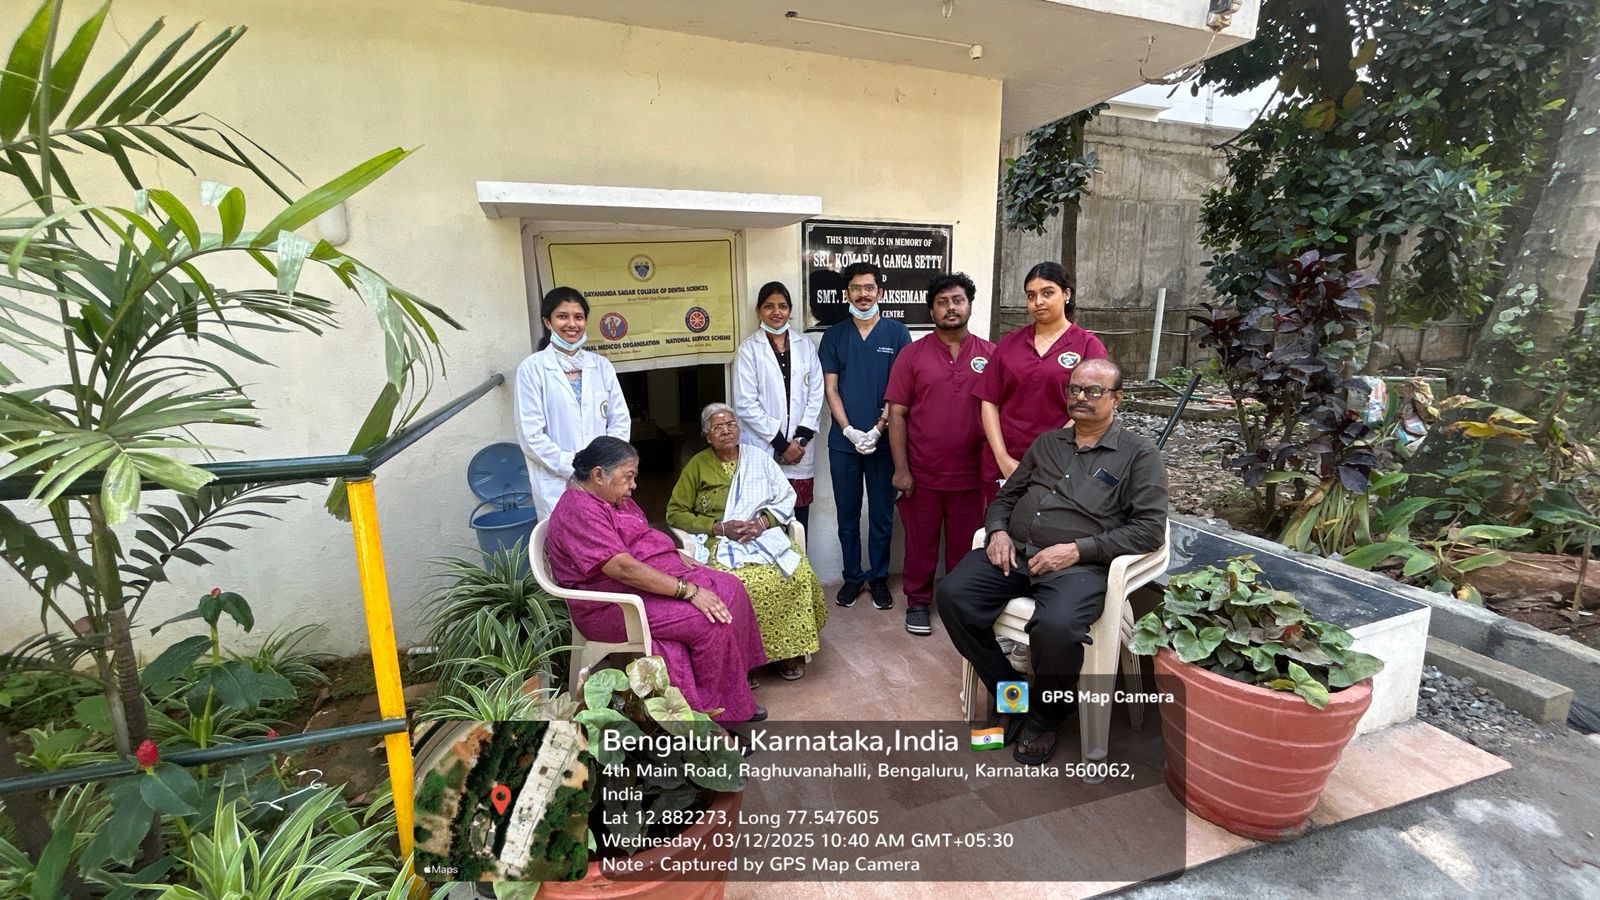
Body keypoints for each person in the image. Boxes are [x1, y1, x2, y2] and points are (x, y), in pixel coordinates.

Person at [939, 359, 1168, 766]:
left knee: (1058, 628)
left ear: (1117, 398)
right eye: (1075, 389)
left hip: (1079, 567)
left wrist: (1078, 550)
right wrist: (997, 532)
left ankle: (1045, 717)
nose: (1081, 397)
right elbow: (1007, 497)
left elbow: (1149, 529)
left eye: (1094, 391)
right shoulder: (1047, 443)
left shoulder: (1138, 454)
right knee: (954, 595)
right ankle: (1012, 693)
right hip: (1018, 554)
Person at [544, 436, 767, 724]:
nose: (634, 485)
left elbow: (637, 536)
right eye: (628, 477)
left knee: (731, 587)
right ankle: (712, 716)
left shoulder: (608, 497)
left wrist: (668, 552)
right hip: (613, 605)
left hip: (640, 584)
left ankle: (733, 687)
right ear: (599, 475)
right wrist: (688, 590)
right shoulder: (579, 510)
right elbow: (623, 569)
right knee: (708, 619)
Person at [667, 404, 828, 681]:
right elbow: (675, 512)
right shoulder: (697, 465)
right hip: (719, 540)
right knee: (737, 585)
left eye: (730, 424)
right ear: (707, 435)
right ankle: (746, 660)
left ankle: (788, 652)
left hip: (761, 533)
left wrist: (762, 523)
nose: (726, 431)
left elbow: (785, 496)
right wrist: (717, 527)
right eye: (718, 427)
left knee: (795, 573)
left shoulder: (759, 458)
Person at [885, 272, 995, 637]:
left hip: (972, 475)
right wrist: (901, 469)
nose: (952, 307)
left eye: (958, 300)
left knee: (966, 548)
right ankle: (917, 602)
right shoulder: (911, 355)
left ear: (969, 305)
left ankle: (957, 605)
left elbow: (999, 413)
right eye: (943, 301)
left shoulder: (991, 354)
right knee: (920, 544)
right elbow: (897, 414)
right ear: (931, 309)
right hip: (923, 474)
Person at [973, 261, 1107, 506]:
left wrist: (1048, 456)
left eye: (1048, 293)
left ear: (1066, 294)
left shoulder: (1088, 346)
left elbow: (1091, 407)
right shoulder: (1009, 344)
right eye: (1031, 296)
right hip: (1005, 463)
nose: (1038, 302)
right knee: (1002, 532)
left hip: (1061, 463)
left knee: (1049, 534)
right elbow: (989, 400)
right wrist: (1002, 457)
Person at [818, 261, 912, 610]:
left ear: (880, 292)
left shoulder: (897, 334)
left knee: (882, 516)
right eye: (856, 288)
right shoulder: (835, 336)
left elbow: (900, 390)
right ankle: (853, 577)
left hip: (886, 443)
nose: (862, 294)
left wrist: (878, 428)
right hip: (844, 444)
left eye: (869, 288)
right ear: (847, 294)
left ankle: (879, 578)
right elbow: (831, 390)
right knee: (847, 514)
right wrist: (849, 430)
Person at [513, 287, 631, 518]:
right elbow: (531, 436)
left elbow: (619, 421)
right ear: (548, 322)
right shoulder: (532, 369)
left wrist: (604, 466)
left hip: (602, 478)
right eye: (562, 316)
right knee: (567, 543)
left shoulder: (601, 366)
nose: (572, 324)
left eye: (578, 317)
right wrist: (577, 468)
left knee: (606, 540)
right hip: (557, 481)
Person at [733, 282, 824, 532]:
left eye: (782, 306)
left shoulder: (805, 346)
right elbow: (745, 403)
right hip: (765, 447)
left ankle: (799, 570)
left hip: (801, 450)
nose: (776, 312)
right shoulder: (749, 350)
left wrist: (800, 440)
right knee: (765, 521)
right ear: (758, 311)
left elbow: (817, 393)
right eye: (769, 306)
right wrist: (782, 445)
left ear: (790, 310)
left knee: (798, 521)